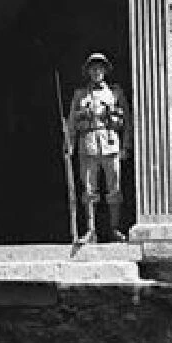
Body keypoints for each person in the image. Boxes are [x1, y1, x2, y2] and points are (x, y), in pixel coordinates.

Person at [67, 52, 132, 243]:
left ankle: (114, 229)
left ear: (105, 71)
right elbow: (72, 123)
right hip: (87, 145)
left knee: (114, 188)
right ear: (88, 72)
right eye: (93, 69)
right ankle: (90, 230)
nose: (96, 72)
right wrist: (69, 145)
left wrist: (126, 146)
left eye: (100, 68)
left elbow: (127, 122)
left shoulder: (115, 93)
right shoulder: (80, 95)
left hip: (110, 144)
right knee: (89, 189)